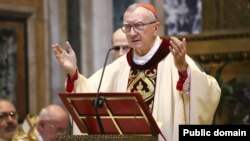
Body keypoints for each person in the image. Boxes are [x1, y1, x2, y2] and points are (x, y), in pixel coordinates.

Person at [52, 2, 221, 141]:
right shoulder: (119, 67)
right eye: (127, 27)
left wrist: (184, 71)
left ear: (156, 28)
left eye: (138, 26)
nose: (132, 33)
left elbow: (209, 93)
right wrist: (74, 72)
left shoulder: (174, 59)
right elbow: (88, 95)